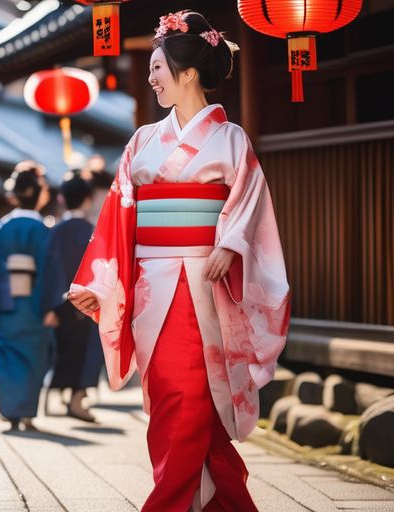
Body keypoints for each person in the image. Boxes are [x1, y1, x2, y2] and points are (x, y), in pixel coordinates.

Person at [68, 11, 290, 511]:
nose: (150, 78)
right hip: (151, 288)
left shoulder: (231, 139)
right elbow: (117, 219)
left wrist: (230, 243)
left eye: (157, 67)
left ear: (187, 72)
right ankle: (225, 502)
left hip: (204, 287)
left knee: (190, 404)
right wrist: (103, 287)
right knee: (178, 404)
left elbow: (251, 205)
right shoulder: (142, 141)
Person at [0, 161, 62, 432]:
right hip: (36, 304)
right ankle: (27, 413)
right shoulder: (42, 229)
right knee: (35, 357)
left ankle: (11, 411)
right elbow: (50, 270)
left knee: (8, 355)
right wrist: (51, 307)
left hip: (8, 303)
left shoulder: (2, 227)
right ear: (37, 193)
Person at [45, 169, 102, 422]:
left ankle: (55, 396)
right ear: (88, 200)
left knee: (60, 349)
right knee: (88, 350)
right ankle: (78, 398)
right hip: (89, 301)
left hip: (59, 303)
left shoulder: (53, 232)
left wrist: (55, 304)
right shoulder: (95, 232)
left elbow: (49, 269)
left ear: (61, 199)